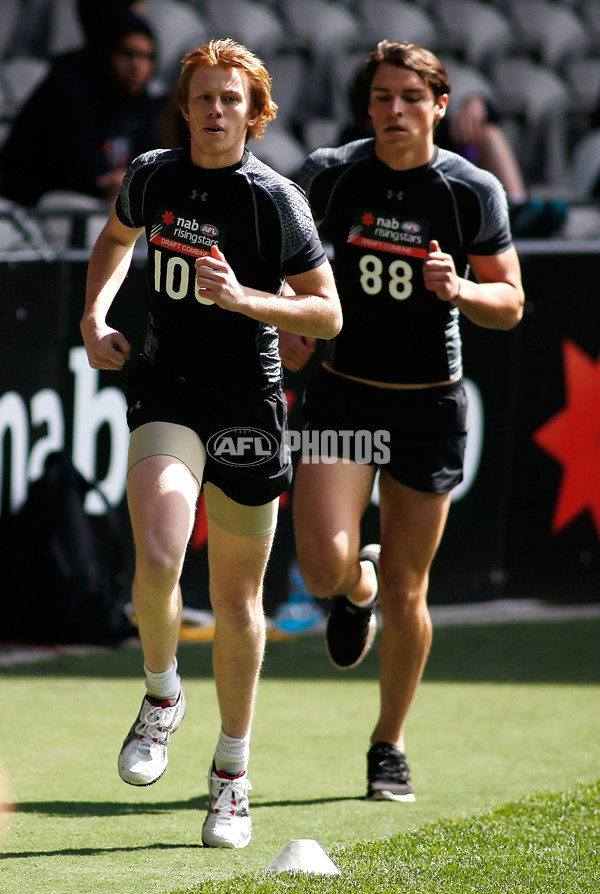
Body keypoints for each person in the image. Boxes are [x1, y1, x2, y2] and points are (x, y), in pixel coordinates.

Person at [80, 39, 341, 849]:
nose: (217, 110)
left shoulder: (276, 201)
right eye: (204, 97)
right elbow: (115, 241)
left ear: (254, 113)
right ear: (186, 106)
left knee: (235, 603)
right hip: (167, 388)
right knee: (158, 553)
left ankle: (232, 777)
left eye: (232, 99)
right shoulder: (154, 174)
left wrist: (247, 299)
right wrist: (95, 316)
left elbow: (326, 314)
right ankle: (163, 696)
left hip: (250, 405)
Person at [280, 40, 523, 801]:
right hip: (348, 393)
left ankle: (388, 744)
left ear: (439, 107)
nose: (394, 112)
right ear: (368, 107)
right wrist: (290, 320)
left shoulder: (470, 190)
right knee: (321, 566)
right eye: (382, 98)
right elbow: (276, 251)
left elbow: (511, 303)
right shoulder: (330, 172)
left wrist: (460, 291)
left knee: (411, 594)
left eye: (410, 98)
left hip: (429, 404)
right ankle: (355, 590)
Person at [339, 59, 567, 238]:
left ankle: (514, 213)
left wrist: (477, 103)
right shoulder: (351, 147)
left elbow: (484, 120)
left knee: (487, 133)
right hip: (399, 229)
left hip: (450, 219)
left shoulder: (425, 130)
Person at [0, 6, 160, 206]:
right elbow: (86, 170)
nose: (137, 66)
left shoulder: (139, 100)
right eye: (127, 54)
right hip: (36, 205)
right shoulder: (68, 89)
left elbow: (151, 160)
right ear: (106, 53)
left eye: (147, 57)